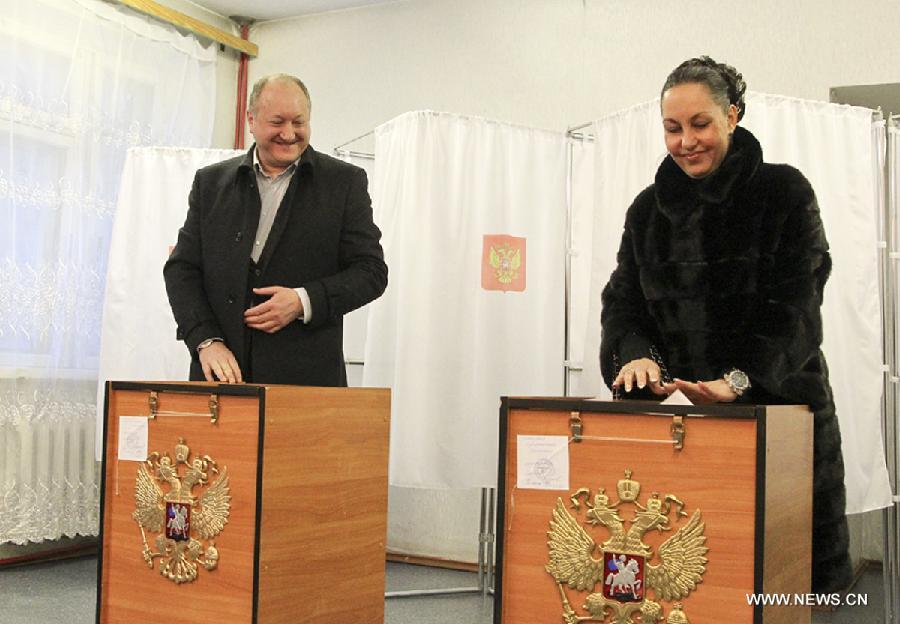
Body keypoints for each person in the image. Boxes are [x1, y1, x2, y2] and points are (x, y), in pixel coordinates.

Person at [598, 56, 851, 593]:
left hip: (778, 419)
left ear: (732, 116)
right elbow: (623, 304)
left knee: (782, 588)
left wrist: (739, 382)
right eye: (672, 128)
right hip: (687, 428)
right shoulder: (647, 212)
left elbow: (798, 312)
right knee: (695, 590)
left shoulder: (784, 193)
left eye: (700, 124)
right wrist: (635, 354)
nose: (686, 141)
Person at [164, 73, 387, 386]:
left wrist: (303, 301)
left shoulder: (344, 183)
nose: (289, 133)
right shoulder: (210, 184)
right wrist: (205, 341)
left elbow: (372, 272)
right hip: (222, 381)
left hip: (306, 385)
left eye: (299, 122)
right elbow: (182, 270)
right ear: (251, 120)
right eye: (277, 122)